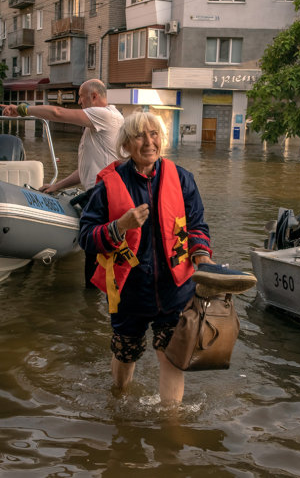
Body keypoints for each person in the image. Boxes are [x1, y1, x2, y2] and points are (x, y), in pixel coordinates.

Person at [78, 112, 214, 404]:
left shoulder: (182, 179)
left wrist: (202, 256)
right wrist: (120, 226)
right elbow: (86, 236)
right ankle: (119, 399)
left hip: (175, 288)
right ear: (126, 145)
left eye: (154, 134)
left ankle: (170, 426)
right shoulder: (109, 185)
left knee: (172, 360)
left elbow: (197, 227)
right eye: (140, 135)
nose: (149, 142)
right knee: (125, 357)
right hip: (129, 292)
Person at [1, 78, 125, 287]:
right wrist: (57, 186)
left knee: (95, 255)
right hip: (98, 192)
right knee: (93, 254)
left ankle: (94, 298)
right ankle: (94, 305)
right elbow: (86, 171)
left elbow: (58, 114)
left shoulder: (105, 115)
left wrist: (23, 109)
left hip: (104, 196)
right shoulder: (97, 125)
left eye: (81, 97)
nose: (79, 102)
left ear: (94, 96)